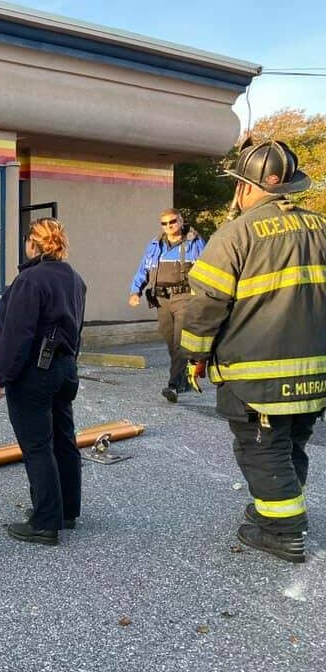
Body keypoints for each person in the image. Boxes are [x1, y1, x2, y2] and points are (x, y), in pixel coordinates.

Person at [181, 139, 325, 564]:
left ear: (247, 186)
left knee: (262, 449)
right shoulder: (322, 226)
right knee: (291, 444)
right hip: (315, 373)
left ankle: (283, 532)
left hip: (257, 377)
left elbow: (207, 304)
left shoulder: (236, 234)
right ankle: (277, 509)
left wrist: (195, 355)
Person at [0, 218, 87, 546]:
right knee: (64, 439)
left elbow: (17, 335)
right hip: (64, 368)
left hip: (35, 372)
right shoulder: (74, 279)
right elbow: (78, 328)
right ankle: (67, 511)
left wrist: (1, 376)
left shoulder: (30, 280)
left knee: (37, 446)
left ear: (32, 243)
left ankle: (45, 523)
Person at [128, 208, 205, 403]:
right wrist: (135, 291)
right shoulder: (156, 244)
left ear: (181, 220)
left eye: (172, 221)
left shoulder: (194, 242)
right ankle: (184, 378)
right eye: (165, 223)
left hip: (185, 297)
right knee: (170, 340)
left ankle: (173, 385)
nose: (169, 226)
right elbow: (144, 269)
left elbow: (206, 269)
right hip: (161, 299)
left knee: (180, 341)